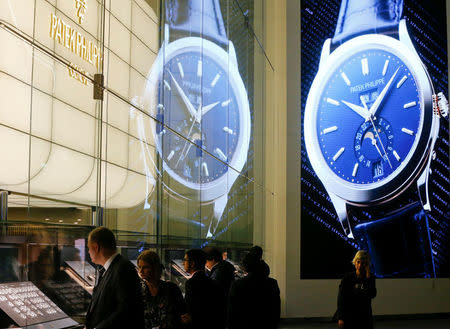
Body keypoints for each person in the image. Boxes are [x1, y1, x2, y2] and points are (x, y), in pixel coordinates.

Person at [85, 227, 144, 329]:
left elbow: (126, 310)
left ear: (96, 247)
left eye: (89, 248)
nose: (88, 252)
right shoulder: (110, 269)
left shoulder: (123, 268)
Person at [228, 251, 280, 329]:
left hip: (244, 323)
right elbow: (276, 308)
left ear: (245, 267)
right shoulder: (272, 283)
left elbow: (233, 310)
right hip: (266, 323)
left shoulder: (237, 284)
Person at [137, 250, 186, 329]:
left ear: (154, 267)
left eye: (145, 267)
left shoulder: (171, 289)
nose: (140, 271)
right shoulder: (137, 290)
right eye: (139, 267)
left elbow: (182, 315)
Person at [182, 249, 223, 329]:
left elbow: (190, 310)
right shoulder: (211, 281)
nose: (183, 263)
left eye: (185, 260)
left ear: (192, 263)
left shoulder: (191, 283)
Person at [337, 250, 377, 329]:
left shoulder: (370, 278)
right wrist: (341, 317)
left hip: (365, 316)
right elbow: (341, 298)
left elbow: (372, 294)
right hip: (349, 315)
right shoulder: (347, 278)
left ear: (367, 265)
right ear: (354, 262)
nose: (360, 265)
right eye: (358, 262)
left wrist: (368, 278)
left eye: (363, 263)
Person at [203, 246, 235, 328]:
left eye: (206, 261)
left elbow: (213, 290)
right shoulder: (226, 267)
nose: (206, 264)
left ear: (213, 260)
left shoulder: (218, 272)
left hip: (219, 311)